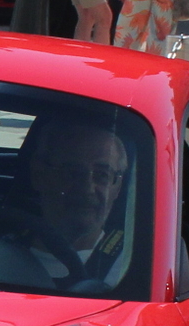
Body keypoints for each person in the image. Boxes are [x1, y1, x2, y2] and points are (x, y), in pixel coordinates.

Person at [12, 116, 133, 288]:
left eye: (102, 175)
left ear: (118, 186)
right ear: (39, 175)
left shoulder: (136, 266)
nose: (87, 188)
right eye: (72, 172)